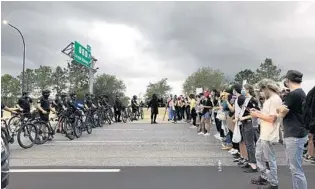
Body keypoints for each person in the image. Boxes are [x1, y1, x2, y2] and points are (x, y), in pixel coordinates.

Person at [250, 79, 282, 189]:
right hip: (264, 133)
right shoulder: (270, 99)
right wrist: (259, 112)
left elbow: (272, 118)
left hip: (269, 135)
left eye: (262, 90)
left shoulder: (275, 100)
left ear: (266, 88)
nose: (261, 93)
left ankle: (274, 183)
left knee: (270, 159)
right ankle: (265, 176)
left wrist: (257, 115)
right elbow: (267, 115)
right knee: (258, 155)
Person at [278, 70, 308, 189]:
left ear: (288, 80)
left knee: (296, 169)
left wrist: (279, 109)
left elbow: (282, 111)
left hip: (294, 134)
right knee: (294, 168)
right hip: (298, 132)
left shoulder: (293, 94)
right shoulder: (302, 93)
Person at [239, 84, 259, 173]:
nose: (242, 90)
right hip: (244, 123)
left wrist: (244, 118)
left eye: (243, 89)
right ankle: (250, 161)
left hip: (249, 123)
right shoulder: (246, 100)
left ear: (247, 90)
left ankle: (254, 164)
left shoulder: (252, 100)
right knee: (247, 144)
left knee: (250, 144)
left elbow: (256, 112)